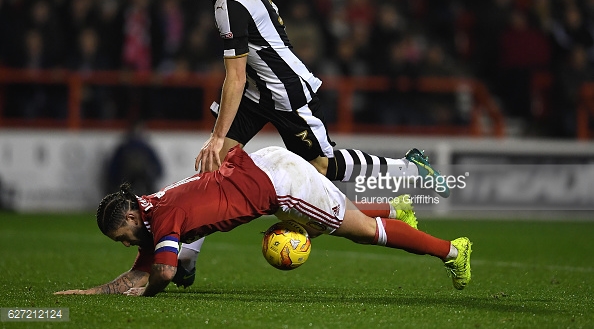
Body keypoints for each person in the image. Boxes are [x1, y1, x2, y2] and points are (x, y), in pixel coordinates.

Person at [174, 0, 451, 286]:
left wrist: (216, 135)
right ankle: (187, 258)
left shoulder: (229, 4)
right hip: (259, 90)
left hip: (283, 89)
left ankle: (410, 168)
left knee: (323, 166)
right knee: (217, 167)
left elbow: (235, 77)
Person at [54, 146, 472, 297]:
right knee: (335, 219)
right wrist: (89, 291)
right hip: (263, 168)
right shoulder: (150, 209)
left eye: (122, 237)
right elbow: (140, 270)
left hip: (279, 183)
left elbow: (162, 272)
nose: (128, 244)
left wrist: (145, 295)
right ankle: (396, 210)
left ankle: (454, 251)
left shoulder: (163, 219)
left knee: (363, 233)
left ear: (129, 216)